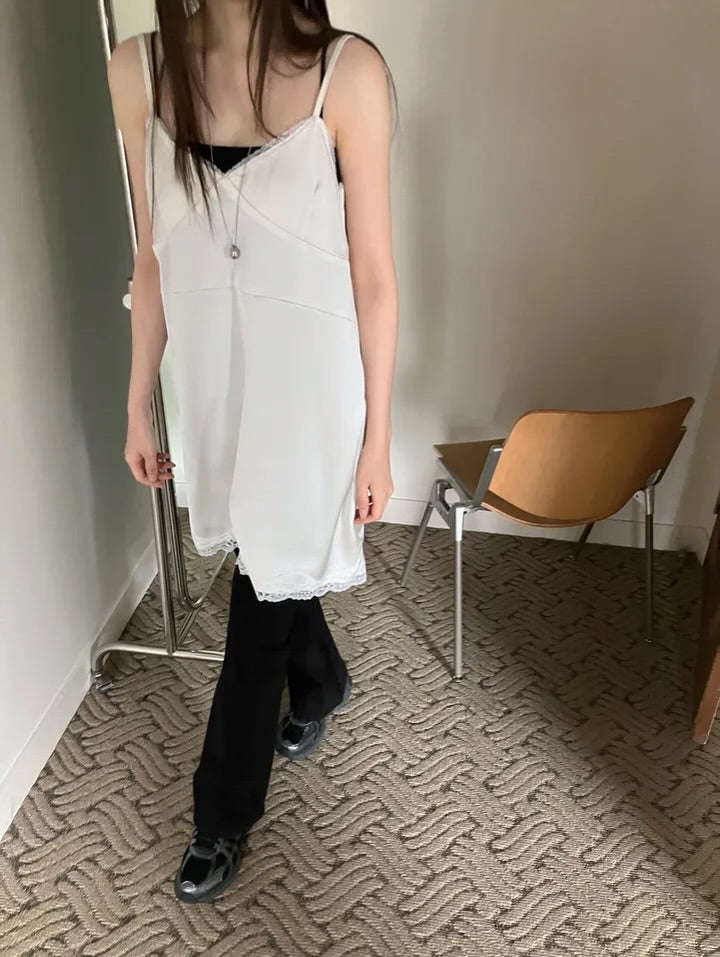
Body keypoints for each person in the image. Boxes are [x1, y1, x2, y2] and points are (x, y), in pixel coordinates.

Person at [107, 0, 397, 904]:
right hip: (216, 387)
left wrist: (379, 436)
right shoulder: (136, 72)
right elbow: (153, 260)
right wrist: (137, 403)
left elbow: (374, 275)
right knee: (266, 559)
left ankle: (221, 813)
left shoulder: (348, 73)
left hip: (313, 393)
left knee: (256, 598)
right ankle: (322, 681)